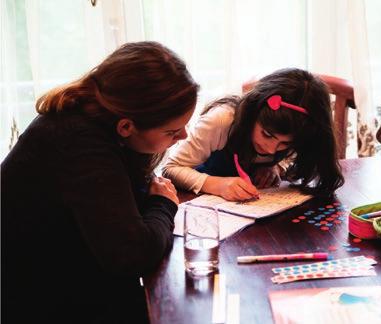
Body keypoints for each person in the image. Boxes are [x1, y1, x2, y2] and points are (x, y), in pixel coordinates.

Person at [1, 41, 198, 323]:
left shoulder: (96, 123)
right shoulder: (79, 143)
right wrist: (162, 204)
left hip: (68, 271)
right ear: (126, 126)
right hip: (35, 296)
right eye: (172, 131)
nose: (183, 138)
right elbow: (132, 255)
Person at [163, 68, 344, 201]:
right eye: (267, 134)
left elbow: (292, 159)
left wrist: (277, 166)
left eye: (285, 144)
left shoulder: (299, 134)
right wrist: (216, 184)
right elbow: (170, 168)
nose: (271, 149)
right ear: (252, 111)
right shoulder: (222, 121)